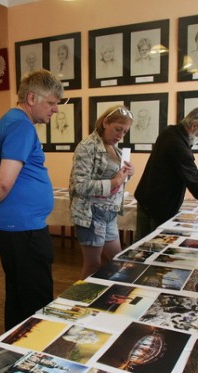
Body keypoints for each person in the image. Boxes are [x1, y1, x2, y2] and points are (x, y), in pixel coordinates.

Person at [0, 69, 64, 331]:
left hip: (18, 226)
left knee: (20, 294)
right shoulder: (21, 125)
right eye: (52, 103)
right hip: (22, 229)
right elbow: (4, 181)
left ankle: (14, 348)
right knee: (37, 300)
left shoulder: (11, 121)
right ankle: (35, 357)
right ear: (32, 98)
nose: (55, 110)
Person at [134, 107, 198, 240]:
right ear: (194, 125)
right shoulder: (178, 145)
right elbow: (195, 183)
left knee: (141, 246)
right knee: (155, 248)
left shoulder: (169, 131)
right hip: (159, 205)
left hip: (147, 199)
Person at [69, 105, 135, 278]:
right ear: (105, 122)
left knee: (117, 261)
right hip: (91, 214)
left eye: (125, 132)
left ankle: (106, 299)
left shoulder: (116, 149)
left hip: (109, 213)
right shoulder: (87, 147)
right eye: (118, 129)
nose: (120, 135)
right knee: (93, 265)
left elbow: (117, 181)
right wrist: (114, 181)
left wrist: (127, 175)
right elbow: (80, 185)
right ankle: (80, 303)